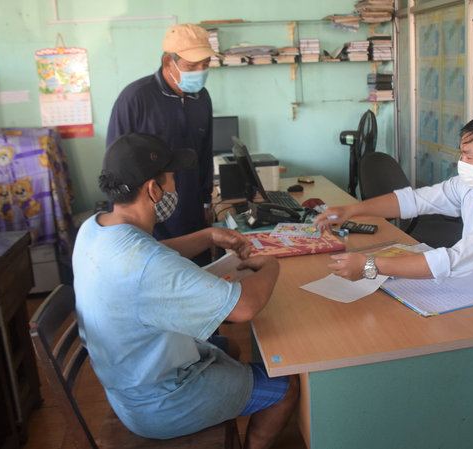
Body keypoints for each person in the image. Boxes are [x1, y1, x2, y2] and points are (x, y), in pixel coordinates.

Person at [73, 132, 299, 449]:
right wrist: (272, 264)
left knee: (229, 350)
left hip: (128, 383)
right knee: (288, 388)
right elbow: (244, 308)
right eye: (170, 179)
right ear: (153, 190)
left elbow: (149, 254)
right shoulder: (146, 264)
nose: (174, 187)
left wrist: (208, 236)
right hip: (159, 404)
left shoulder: (95, 228)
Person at [314, 114, 473, 308]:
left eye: (469, 157)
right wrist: (351, 210)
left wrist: (370, 265)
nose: (462, 163)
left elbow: (453, 260)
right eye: (462, 154)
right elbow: (414, 201)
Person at [106, 23, 220, 267]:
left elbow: (204, 153)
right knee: (157, 277)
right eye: (192, 66)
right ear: (169, 62)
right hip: (149, 217)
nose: (200, 71)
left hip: (191, 210)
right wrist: (121, 225)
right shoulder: (135, 99)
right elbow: (114, 167)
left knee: (198, 276)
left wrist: (206, 202)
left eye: (206, 64)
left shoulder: (202, 97)